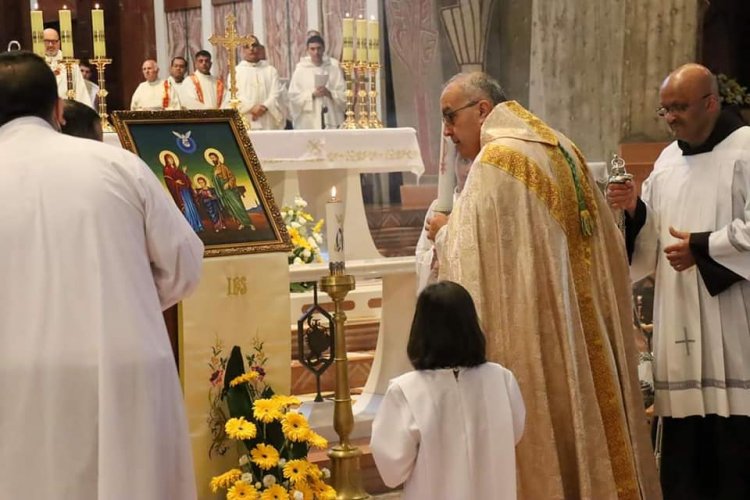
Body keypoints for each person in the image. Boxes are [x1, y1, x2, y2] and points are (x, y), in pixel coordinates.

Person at [430, 72, 661, 499]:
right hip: (586, 339)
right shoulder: (563, 147)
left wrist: (443, 232)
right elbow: (609, 245)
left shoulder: (496, 161)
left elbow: (467, 262)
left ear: (482, 110)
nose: (447, 131)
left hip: (539, 341)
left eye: (450, 117)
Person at [0, 51, 203, 499]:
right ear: (58, 109)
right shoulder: (118, 165)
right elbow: (184, 263)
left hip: (14, 372)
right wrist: (125, 298)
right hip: (124, 360)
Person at [607, 63, 750, 500]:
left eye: (679, 108)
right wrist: (634, 210)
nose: (670, 118)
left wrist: (702, 249)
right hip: (678, 317)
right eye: (664, 109)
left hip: (734, 322)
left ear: (711, 103)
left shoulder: (746, 149)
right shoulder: (668, 160)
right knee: (684, 458)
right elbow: (651, 237)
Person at [370, 280, 525, 499]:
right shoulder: (501, 379)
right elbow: (513, 435)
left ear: (421, 329)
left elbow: (392, 468)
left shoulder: (406, 391)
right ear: (471, 325)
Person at [415, 139, 472, 293]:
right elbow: (421, 254)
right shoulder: (438, 206)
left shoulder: (480, 207)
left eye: (474, 163)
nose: (468, 170)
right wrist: (433, 257)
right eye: (464, 161)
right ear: (454, 164)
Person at [223, 36, 286, 130]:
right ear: (243, 50)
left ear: (259, 48)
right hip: (245, 119)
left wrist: (265, 106)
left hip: (267, 120)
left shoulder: (271, 71)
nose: (251, 49)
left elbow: (276, 93)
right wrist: (252, 108)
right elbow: (233, 97)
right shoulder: (235, 72)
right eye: (247, 46)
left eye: (254, 45)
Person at [287, 35, 346, 129]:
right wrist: (312, 94)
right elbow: (293, 98)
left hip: (330, 117)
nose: (316, 52)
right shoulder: (300, 70)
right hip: (308, 121)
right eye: (312, 49)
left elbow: (344, 95)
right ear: (307, 50)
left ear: (324, 49)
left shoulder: (334, 69)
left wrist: (329, 93)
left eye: (319, 48)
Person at [206, 149, 255, 230]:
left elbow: (232, 177)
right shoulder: (213, 170)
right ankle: (241, 223)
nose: (212, 160)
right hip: (222, 192)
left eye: (213, 157)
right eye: (211, 158)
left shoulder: (224, 167)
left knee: (238, 206)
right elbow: (213, 181)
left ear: (217, 157)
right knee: (232, 208)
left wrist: (228, 184)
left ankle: (249, 223)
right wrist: (215, 175)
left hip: (230, 190)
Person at [42, 28, 91, 106]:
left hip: (66, 109)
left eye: (54, 41)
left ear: (59, 43)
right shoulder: (35, 62)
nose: (50, 45)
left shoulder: (70, 62)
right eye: (47, 41)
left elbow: (81, 90)